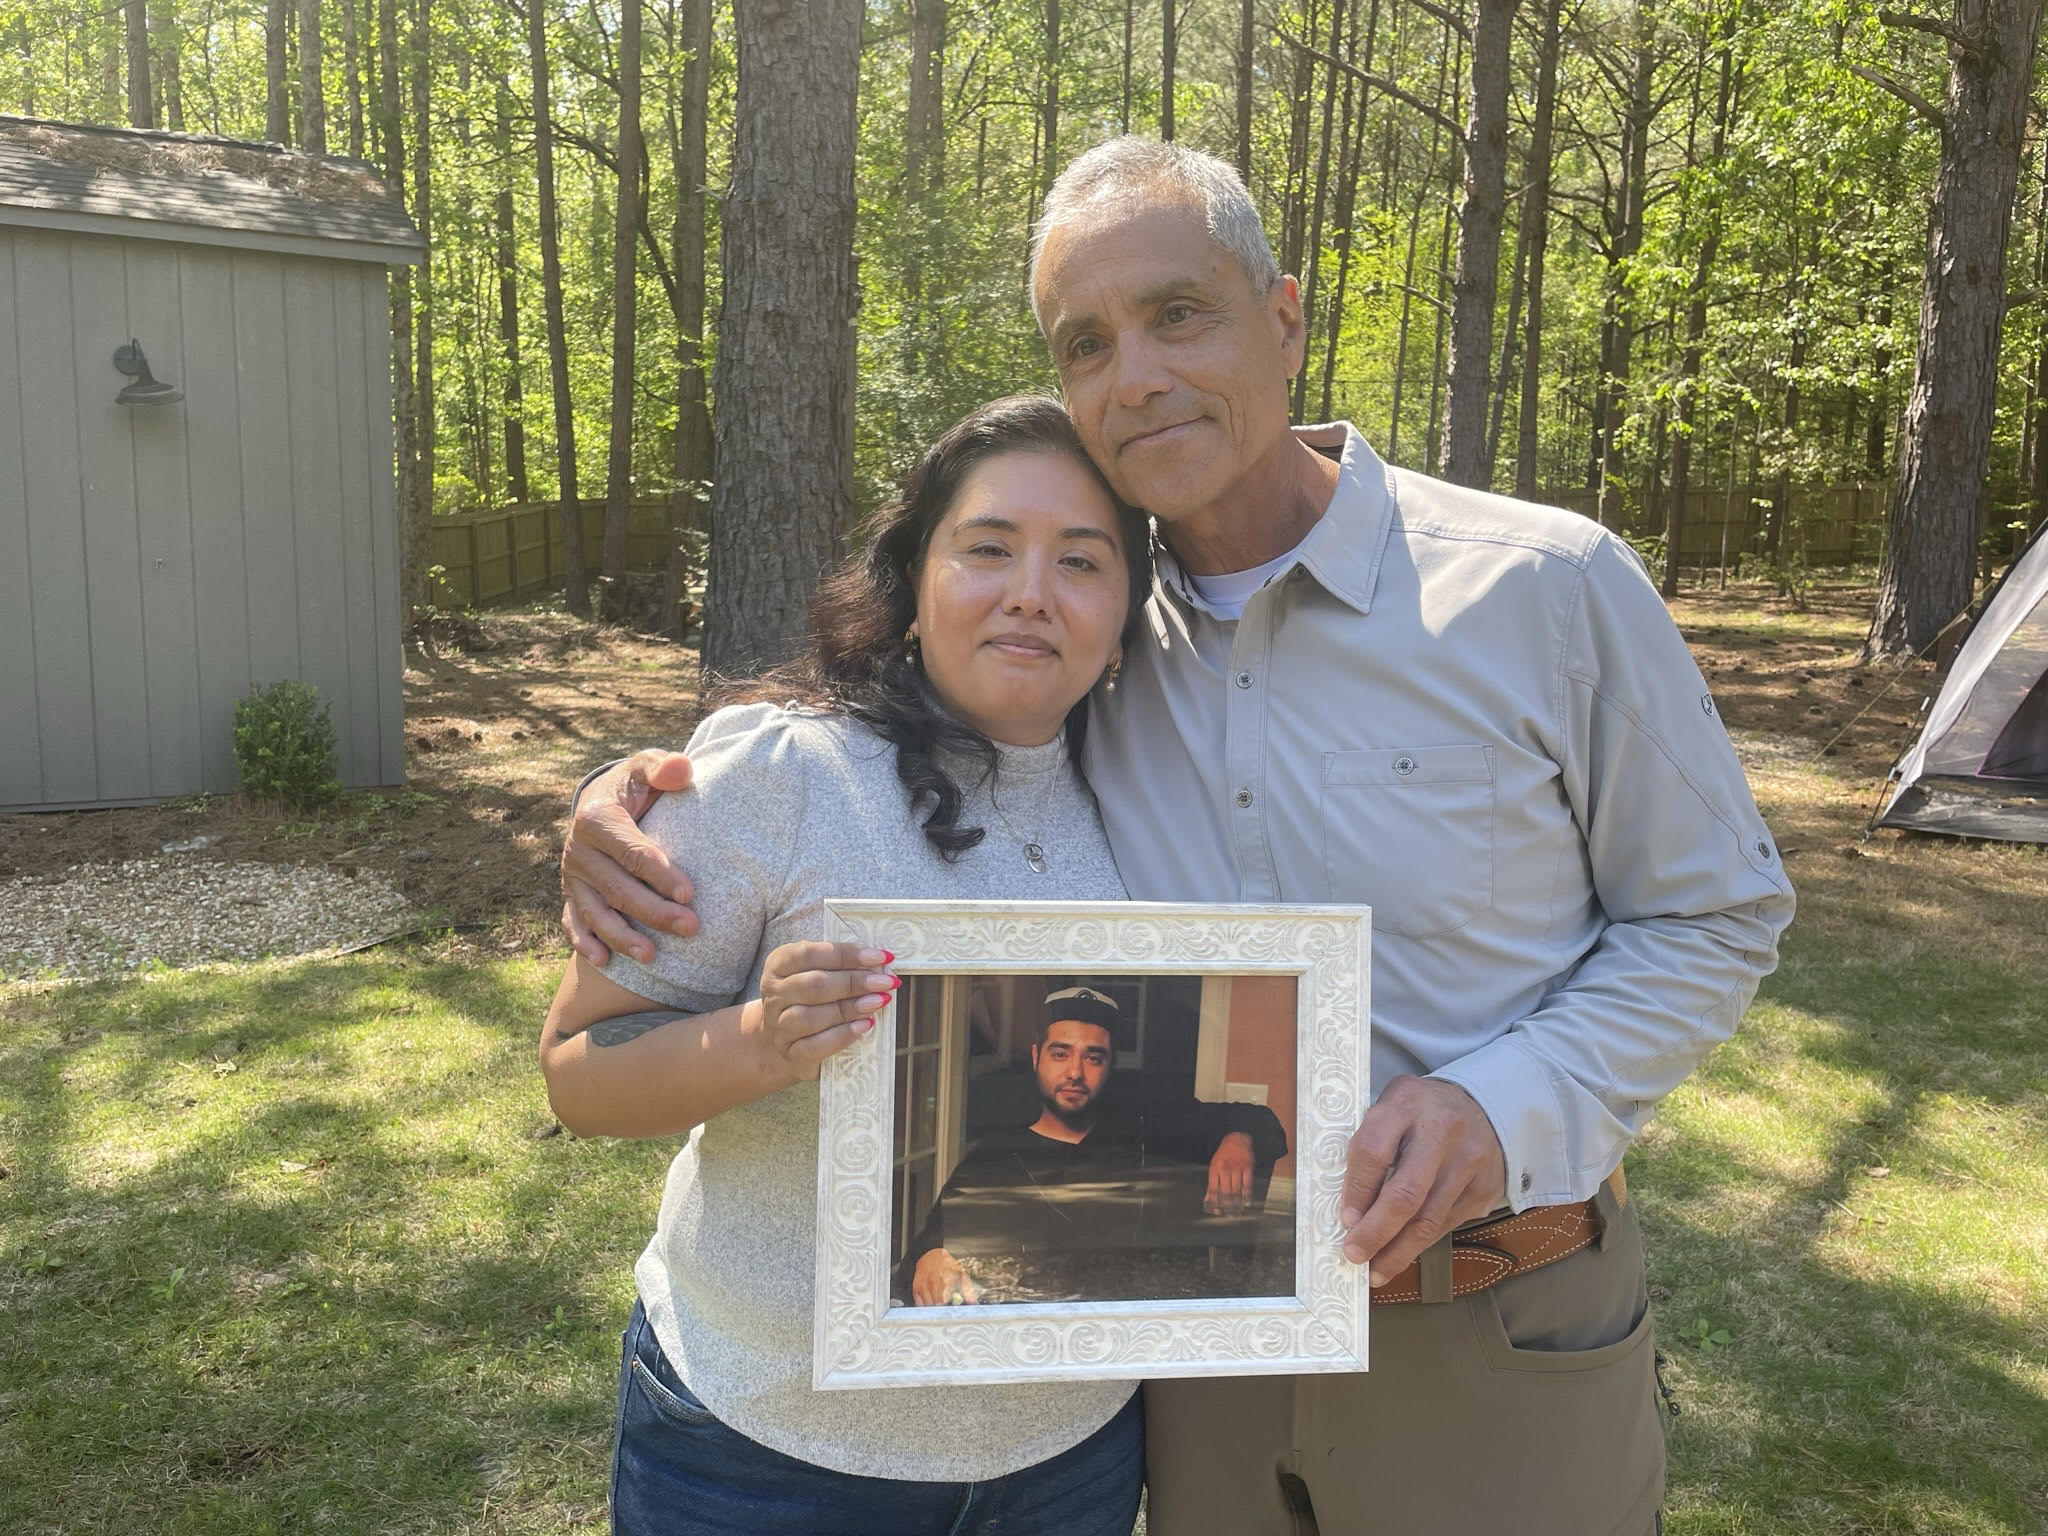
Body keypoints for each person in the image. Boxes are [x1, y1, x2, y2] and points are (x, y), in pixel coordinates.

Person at [560, 139, 1796, 1536]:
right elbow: (876, 736)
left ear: (1285, 316)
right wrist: (643, 793)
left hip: (1492, 1321)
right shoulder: (1093, 643)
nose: (1134, 373)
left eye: (1178, 314)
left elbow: (1716, 914)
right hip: (1190, 1361)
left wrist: (1500, 1110)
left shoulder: (1545, 591)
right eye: (1086, 342)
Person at [538, 396, 1157, 1536]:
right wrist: (759, 1042)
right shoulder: (780, 776)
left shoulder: (1158, 793)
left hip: (1067, 1452)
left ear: (1122, 618)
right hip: (771, 1452)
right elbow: (578, 1071)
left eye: (1081, 561)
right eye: (986, 549)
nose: (1031, 589)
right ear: (912, 583)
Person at [904, 986, 1289, 1306]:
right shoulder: (992, 1158)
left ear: (1111, 1065)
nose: (1075, 1072)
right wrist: (929, 1258)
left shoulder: (1153, 1130)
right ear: (1037, 1057)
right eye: (1060, 1053)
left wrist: (1239, 1139)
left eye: (1093, 1057)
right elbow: (924, 1254)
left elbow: (1266, 1124)